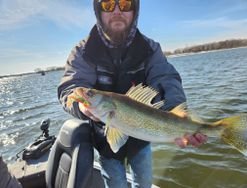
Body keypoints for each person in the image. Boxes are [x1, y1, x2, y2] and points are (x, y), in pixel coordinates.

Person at [58, 0, 207, 187]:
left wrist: (177, 115)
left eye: (125, 3)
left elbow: (165, 78)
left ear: (135, 10)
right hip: (105, 140)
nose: (117, 11)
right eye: (108, 4)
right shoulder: (83, 51)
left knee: (144, 182)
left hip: (143, 139)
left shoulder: (150, 48)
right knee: (116, 183)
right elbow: (71, 87)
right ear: (98, 10)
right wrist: (80, 105)